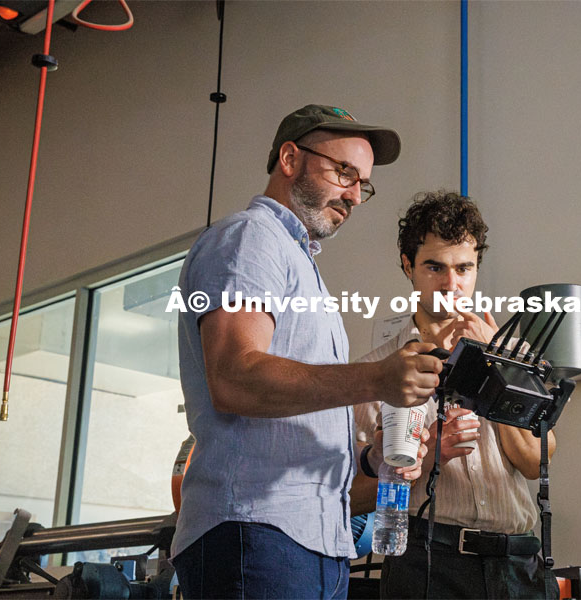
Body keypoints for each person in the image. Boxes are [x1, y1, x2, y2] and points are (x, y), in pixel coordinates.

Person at [170, 104, 441, 600]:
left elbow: (292, 431)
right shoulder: (251, 238)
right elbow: (233, 377)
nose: (356, 195)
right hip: (257, 532)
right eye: (344, 172)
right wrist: (376, 380)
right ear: (290, 158)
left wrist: (369, 460)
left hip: (310, 541)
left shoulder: (298, 263)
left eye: (364, 183)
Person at [353, 191, 560, 599]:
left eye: (464, 268)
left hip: (518, 561)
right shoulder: (379, 369)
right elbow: (352, 496)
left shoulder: (514, 354)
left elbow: (538, 461)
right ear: (408, 265)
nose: (452, 284)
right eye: (435, 267)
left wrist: (497, 365)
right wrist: (426, 458)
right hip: (426, 559)